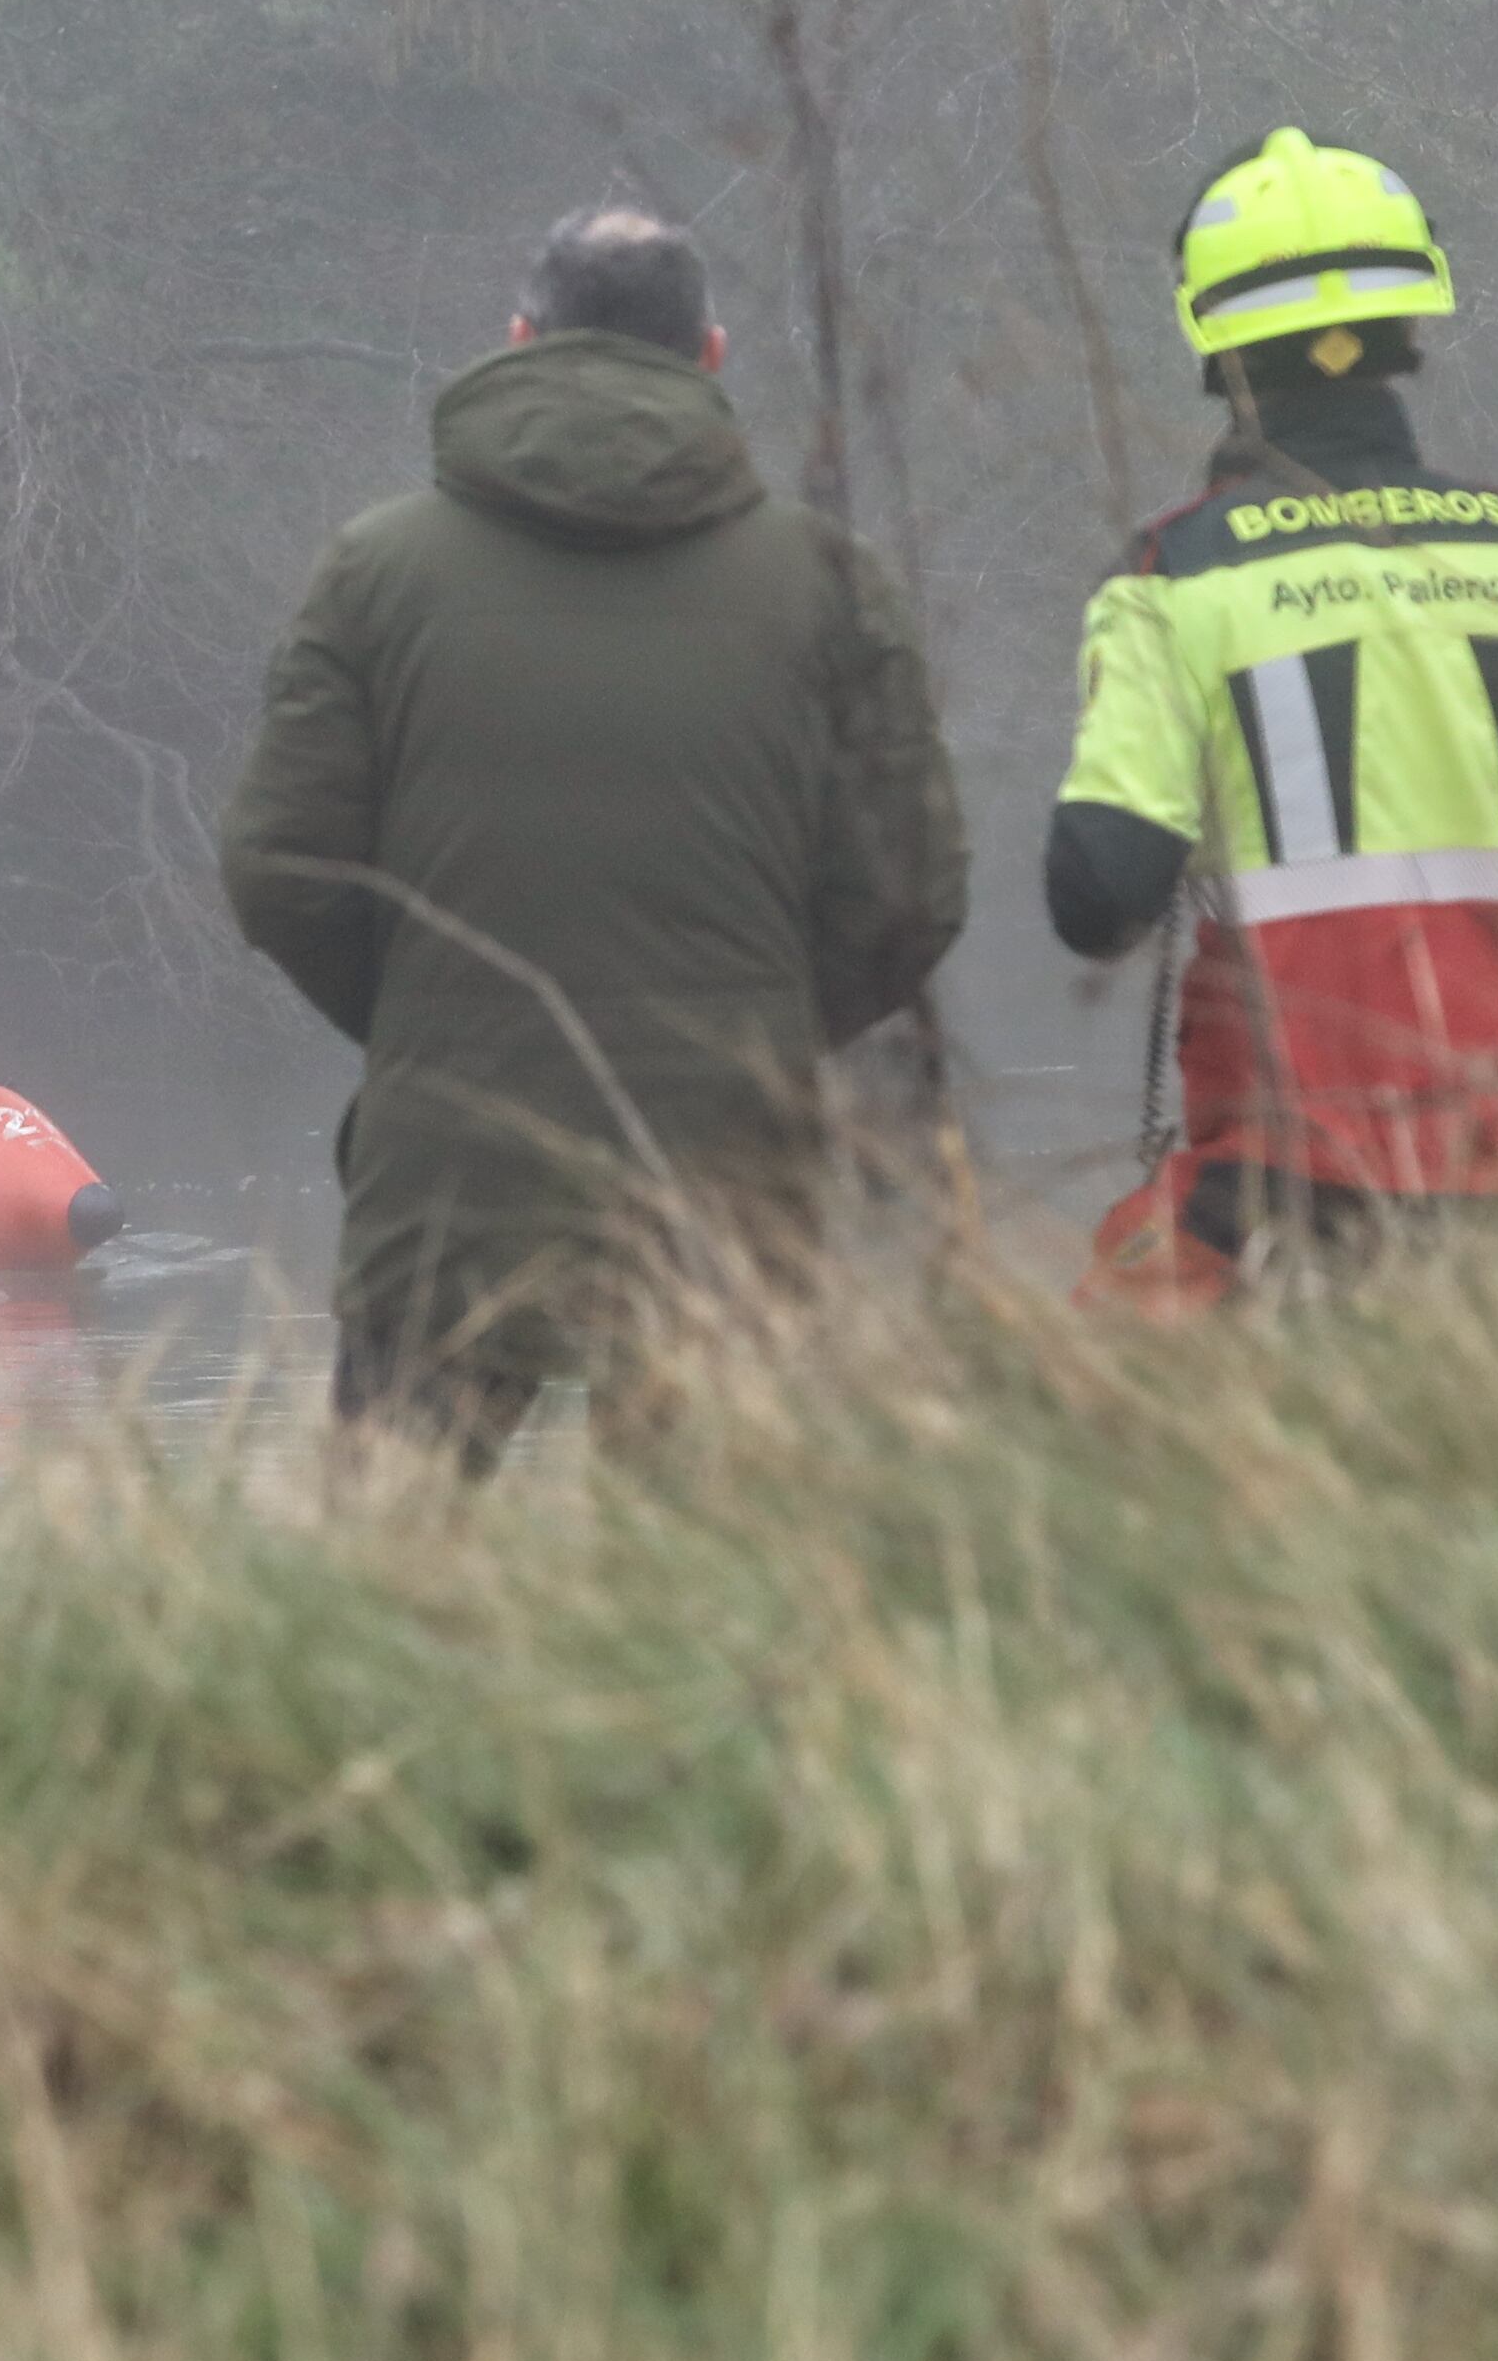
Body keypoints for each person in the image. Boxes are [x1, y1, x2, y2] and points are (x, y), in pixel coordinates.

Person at [217, 207, 966, 1466]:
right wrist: (761, 1027)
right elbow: (912, 897)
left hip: (448, 1165)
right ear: (712, 356)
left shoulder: (375, 570)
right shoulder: (829, 584)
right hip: (731, 1169)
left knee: (386, 1583)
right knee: (716, 1598)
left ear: (519, 339)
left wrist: (423, 1014)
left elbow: (279, 869)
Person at [1049, 129, 1498, 1304]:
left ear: (1218, 350)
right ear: (1412, 330)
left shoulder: (1176, 578)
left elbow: (1098, 898)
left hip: (1286, 1190)